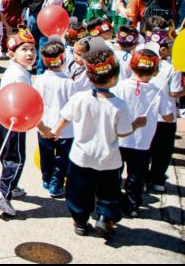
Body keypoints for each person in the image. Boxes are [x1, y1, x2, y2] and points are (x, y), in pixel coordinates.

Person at [52, 40, 147, 238]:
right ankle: (104, 217)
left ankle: (80, 220)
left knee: (79, 191)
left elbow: (65, 118)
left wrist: (56, 132)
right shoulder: (118, 105)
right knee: (108, 192)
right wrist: (136, 124)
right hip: (109, 159)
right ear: (114, 79)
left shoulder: (80, 98)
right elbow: (122, 132)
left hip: (81, 156)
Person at [114, 47, 173, 217]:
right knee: (136, 176)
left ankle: (114, 200)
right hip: (142, 143)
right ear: (155, 72)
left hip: (119, 139)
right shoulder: (157, 92)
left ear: (130, 67)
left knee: (115, 173)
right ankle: (133, 206)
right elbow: (168, 117)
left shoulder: (120, 86)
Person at [0, 27, 36, 217]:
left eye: (32, 49)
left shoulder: (16, 70)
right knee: (16, 159)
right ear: (12, 54)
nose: (30, 53)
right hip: (14, 120)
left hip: (4, 118)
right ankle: (2, 193)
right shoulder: (19, 74)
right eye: (24, 50)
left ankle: (11, 186)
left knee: (8, 155)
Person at [33, 39, 74, 199]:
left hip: (44, 125)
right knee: (62, 158)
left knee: (46, 154)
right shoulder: (69, 82)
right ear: (63, 59)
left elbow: (35, 103)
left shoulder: (40, 80)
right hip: (65, 128)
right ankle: (56, 184)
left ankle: (46, 179)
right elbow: (72, 106)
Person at [147, 23, 185, 192]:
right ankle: (157, 180)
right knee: (162, 152)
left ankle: (141, 181)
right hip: (166, 116)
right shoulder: (172, 68)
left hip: (145, 114)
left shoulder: (142, 63)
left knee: (145, 150)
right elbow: (176, 92)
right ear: (161, 49)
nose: (171, 48)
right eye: (169, 45)